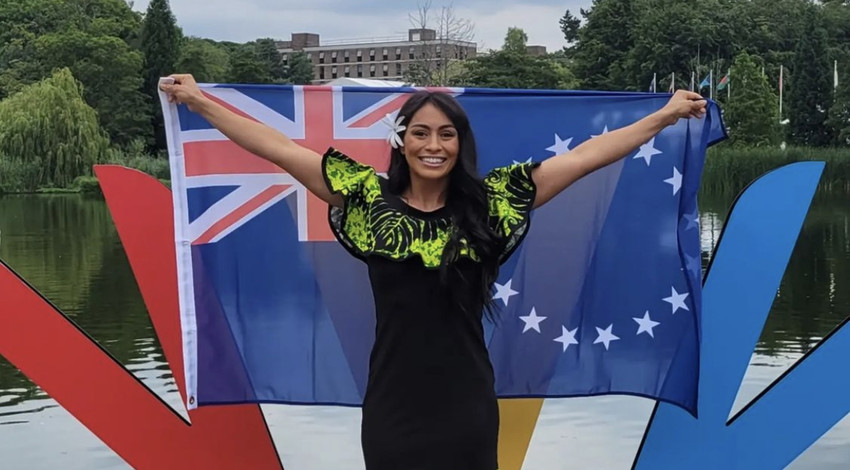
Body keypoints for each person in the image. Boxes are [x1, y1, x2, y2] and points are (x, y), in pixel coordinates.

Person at [161, 75, 706, 470]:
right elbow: (279, 148)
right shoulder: (366, 199)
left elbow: (587, 157)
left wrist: (663, 115)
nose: (433, 145)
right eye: (420, 133)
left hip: (464, 401)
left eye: (446, 134)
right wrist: (200, 102)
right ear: (402, 140)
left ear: (460, 143)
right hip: (393, 402)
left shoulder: (493, 204)